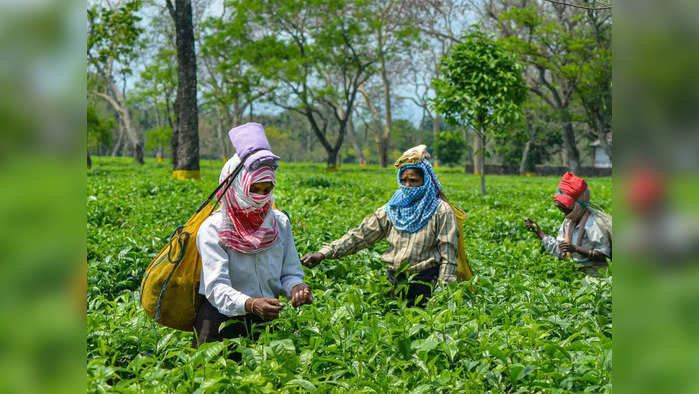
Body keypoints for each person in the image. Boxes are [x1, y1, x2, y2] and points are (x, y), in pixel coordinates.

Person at [193, 122, 312, 348]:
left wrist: (296, 288)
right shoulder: (214, 228)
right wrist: (249, 304)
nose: (260, 197)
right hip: (219, 324)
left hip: (264, 321)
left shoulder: (279, 223)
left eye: (267, 190)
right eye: (254, 190)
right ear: (237, 187)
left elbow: (289, 273)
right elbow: (216, 287)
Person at [301, 145, 458, 306]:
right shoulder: (392, 209)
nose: (408, 185)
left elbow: (449, 256)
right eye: (403, 180)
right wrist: (323, 253)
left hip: (426, 283)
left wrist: (442, 294)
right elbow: (360, 235)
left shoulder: (440, 211)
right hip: (395, 281)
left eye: (414, 180)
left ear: (426, 181)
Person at [525, 172, 612, 276]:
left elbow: (604, 256)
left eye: (565, 208)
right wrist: (539, 232)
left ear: (577, 205)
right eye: (561, 209)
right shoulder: (569, 221)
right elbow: (561, 249)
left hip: (596, 278)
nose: (564, 213)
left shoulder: (593, 224)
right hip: (574, 274)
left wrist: (575, 249)